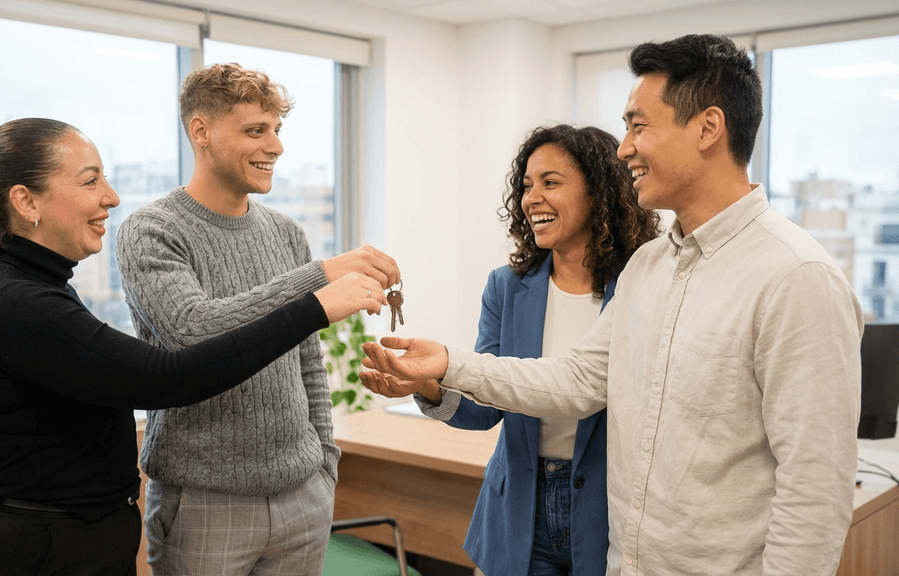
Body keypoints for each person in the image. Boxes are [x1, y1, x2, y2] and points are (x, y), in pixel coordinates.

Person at [362, 34, 863, 576]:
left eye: (638, 125)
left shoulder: (796, 277)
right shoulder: (650, 267)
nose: (624, 148)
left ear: (707, 128)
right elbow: (578, 381)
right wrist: (447, 364)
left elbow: (814, 489)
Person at [0, 117, 386, 576]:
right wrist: (314, 305)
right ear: (26, 201)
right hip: (32, 554)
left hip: (67, 544)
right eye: (91, 181)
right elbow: (166, 377)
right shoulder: (17, 302)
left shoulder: (36, 287)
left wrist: (324, 462)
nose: (111, 196)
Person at [116, 62, 400, 575]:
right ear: (200, 132)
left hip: (302, 497)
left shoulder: (287, 233)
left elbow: (307, 361)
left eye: (276, 130)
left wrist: (324, 464)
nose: (275, 146)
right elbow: (192, 331)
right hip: (203, 501)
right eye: (255, 130)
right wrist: (319, 280)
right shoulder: (150, 230)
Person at [361, 125, 659, 576]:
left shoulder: (642, 288)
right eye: (526, 186)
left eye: (550, 182)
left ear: (599, 192)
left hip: (607, 511)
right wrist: (430, 385)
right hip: (520, 506)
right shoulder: (507, 287)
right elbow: (486, 408)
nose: (531, 198)